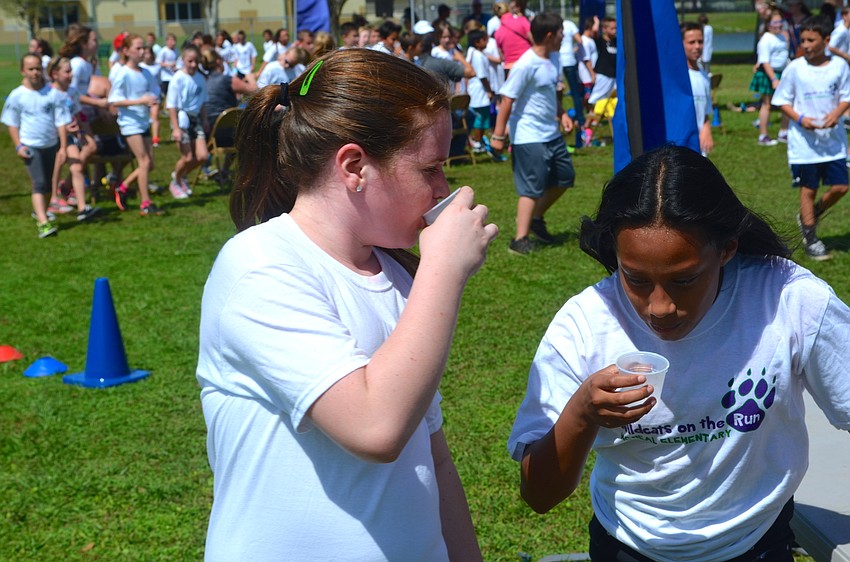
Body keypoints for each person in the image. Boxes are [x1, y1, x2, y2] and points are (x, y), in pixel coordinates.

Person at [196, 48, 496, 561]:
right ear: (355, 166)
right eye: (431, 169)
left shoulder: (398, 276)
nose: (446, 190)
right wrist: (444, 270)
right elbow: (375, 427)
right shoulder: (259, 267)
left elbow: (434, 461)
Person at [508, 144, 850, 562]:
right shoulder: (586, 323)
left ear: (727, 248)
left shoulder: (787, 300)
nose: (660, 307)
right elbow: (539, 495)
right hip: (628, 547)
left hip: (757, 544)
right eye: (634, 278)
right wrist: (582, 412)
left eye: (685, 279)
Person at [490, 12, 575, 255]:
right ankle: (520, 240)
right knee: (531, 188)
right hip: (528, 135)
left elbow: (548, 93)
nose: (563, 36)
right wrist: (498, 137)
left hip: (551, 132)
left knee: (565, 177)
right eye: (561, 32)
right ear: (550, 35)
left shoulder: (554, 58)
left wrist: (563, 114)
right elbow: (507, 100)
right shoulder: (525, 64)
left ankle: (536, 218)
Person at [773, 15, 850, 261]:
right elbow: (781, 100)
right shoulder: (795, 68)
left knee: (841, 186)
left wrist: (837, 113)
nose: (805, 45)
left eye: (811, 40)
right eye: (803, 40)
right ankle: (810, 237)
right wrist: (800, 119)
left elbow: (846, 96)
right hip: (803, 144)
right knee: (809, 189)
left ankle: (813, 213)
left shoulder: (839, 66)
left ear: (826, 40)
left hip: (833, 141)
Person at [2, 53, 71, 238]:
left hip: (50, 144)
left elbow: (61, 121)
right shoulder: (17, 96)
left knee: (48, 185)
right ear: (22, 71)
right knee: (39, 183)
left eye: (38, 68)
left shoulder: (52, 94)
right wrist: (18, 146)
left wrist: (63, 147)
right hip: (30, 145)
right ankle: (43, 223)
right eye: (31, 69)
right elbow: (12, 123)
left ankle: (41, 211)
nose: (35, 73)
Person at [108, 33, 164, 216]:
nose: (142, 52)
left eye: (144, 48)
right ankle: (145, 203)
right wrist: (140, 101)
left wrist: (153, 100)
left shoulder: (146, 72)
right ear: (126, 51)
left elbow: (154, 92)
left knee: (149, 164)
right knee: (144, 162)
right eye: (138, 48)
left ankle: (123, 186)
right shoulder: (122, 73)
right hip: (130, 123)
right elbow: (114, 100)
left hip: (143, 120)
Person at [47, 56, 101, 222]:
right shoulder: (48, 93)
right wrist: (60, 129)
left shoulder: (72, 92)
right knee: (53, 170)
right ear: (55, 74)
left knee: (76, 167)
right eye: (67, 71)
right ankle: (51, 200)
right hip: (51, 138)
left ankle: (82, 208)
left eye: (71, 71)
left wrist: (83, 132)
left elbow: (78, 114)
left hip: (68, 138)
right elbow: (44, 118)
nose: (71, 75)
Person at [166, 44, 209, 199]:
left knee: (203, 156)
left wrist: (204, 119)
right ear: (183, 60)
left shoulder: (200, 78)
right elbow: (171, 106)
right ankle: (176, 181)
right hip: (181, 118)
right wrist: (176, 128)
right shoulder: (178, 78)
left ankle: (181, 176)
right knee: (187, 157)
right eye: (190, 61)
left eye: (196, 61)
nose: (193, 65)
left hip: (195, 118)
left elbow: (203, 101)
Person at [750, 9, 790, 146]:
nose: (779, 25)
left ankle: (784, 132)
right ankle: (763, 135)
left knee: (786, 103)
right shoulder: (766, 39)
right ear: (768, 24)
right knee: (767, 105)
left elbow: (784, 56)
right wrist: (774, 79)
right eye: (775, 22)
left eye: (780, 22)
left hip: (782, 72)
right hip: (769, 74)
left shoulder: (782, 36)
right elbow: (765, 61)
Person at [683, 22, 713, 156]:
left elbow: (705, 111)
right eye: (691, 42)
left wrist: (706, 129)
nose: (697, 46)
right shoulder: (678, 76)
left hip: (699, 145)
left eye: (700, 42)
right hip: (680, 143)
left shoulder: (704, 75)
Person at [466, 29, 494, 153]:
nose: (486, 42)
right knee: (479, 117)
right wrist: (489, 90)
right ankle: (477, 142)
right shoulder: (477, 55)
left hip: (479, 90)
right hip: (479, 90)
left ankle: (480, 140)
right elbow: (482, 75)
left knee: (483, 117)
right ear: (477, 42)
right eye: (484, 39)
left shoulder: (478, 53)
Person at [559, 16, 585, 147]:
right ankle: (581, 125)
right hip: (569, 60)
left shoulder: (556, 25)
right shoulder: (569, 24)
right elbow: (580, 41)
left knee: (558, 97)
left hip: (557, 61)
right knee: (576, 96)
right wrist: (574, 50)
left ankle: (560, 125)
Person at [494, 0, 532, 74]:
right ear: (509, 10)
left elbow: (502, 57)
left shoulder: (497, 32)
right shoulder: (522, 21)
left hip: (509, 69)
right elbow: (534, 40)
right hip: (526, 64)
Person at [156, 33, 179, 99]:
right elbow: (158, 63)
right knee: (164, 95)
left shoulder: (176, 50)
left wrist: (176, 68)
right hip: (165, 77)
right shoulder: (163, 51)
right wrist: (168, 65)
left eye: (174, 40)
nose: (173, 42)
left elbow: (177, 61)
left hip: (173, 76)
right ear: (167, 41)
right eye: (171, 40)